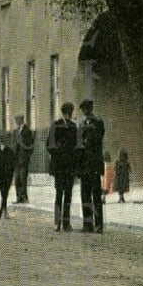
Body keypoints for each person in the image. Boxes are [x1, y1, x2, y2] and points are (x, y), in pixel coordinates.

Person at [47, 102, 78, 232]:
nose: (69, 114)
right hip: (59, 166)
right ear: (64, 112)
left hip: (69, 167)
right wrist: (59, 153)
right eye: (67, 112)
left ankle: (66, 223)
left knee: (69, 195)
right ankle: (57, 222)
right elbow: (49, 145)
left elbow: (77, 146)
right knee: (59, 194)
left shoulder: (73, 126)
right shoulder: (56, 125)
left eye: (70, 112)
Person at [78, 99, 105, 233]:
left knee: (96, 195)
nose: (86, 111)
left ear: (91, 109)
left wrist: (89, 133)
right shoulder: (81, 124)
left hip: (94, 164)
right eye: (84, 110)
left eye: (88, 109)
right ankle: (87, 223)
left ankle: (99, 225)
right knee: (85, 195)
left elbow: (99, 139)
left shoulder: (98, 122)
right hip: (84, 165)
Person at [12, 115, 35, 203]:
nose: (16, 122)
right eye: (16, 120)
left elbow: (31, 146)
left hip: (24, 159)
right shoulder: (16, 131)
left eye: (17, 120)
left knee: (23, 179)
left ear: (21, 120)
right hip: (16, 159)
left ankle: (24, 197)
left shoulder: (27, 131)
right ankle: (18, 197)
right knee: (17, 179)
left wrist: (26, 156)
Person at [0, 137, 16, 219]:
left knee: (4, 194)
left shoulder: (9, 152)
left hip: (7, 176)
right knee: (3, 194)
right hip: (0, 176)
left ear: (0, 143)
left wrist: (10, 172)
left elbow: (12, 163)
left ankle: (2, 212)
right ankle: (3, 212)